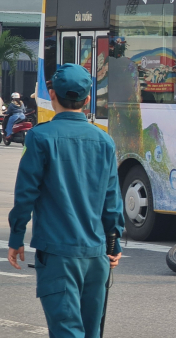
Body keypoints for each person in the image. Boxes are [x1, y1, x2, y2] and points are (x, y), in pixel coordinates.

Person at [6, 63, 125, 337]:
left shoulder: (39, 137)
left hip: (58, 255)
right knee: (91, 331)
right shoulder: (104, 140)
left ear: (52, 95)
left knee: (66, 331)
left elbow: (25, 194)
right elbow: (112, 201)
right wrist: (114, 244)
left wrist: (16, 237)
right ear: (88, 99)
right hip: (96, 256)